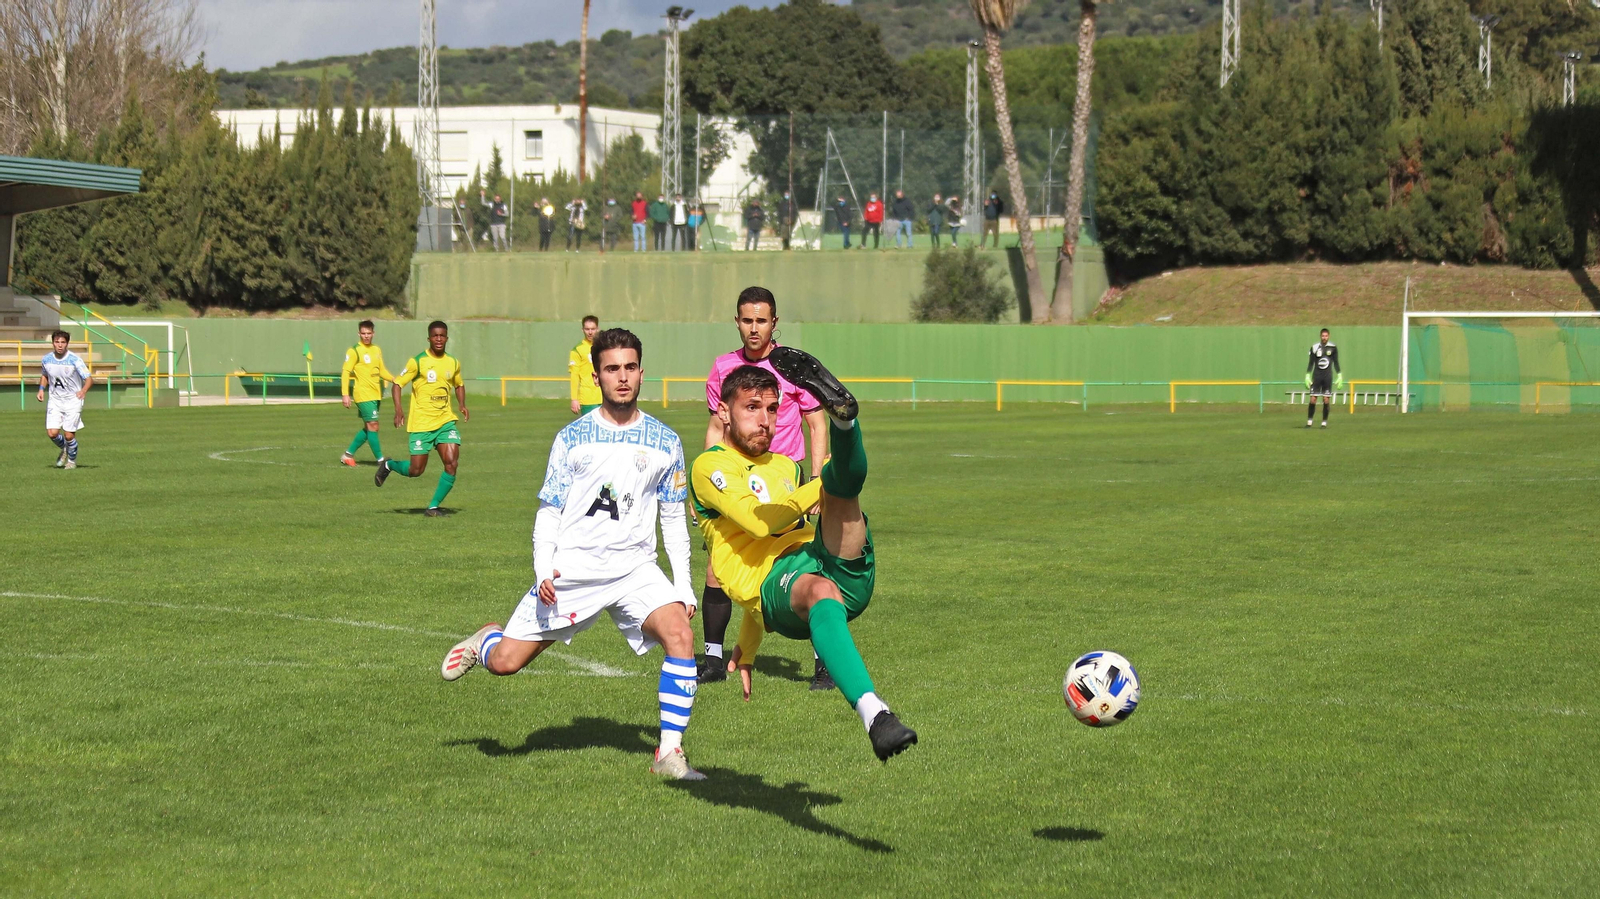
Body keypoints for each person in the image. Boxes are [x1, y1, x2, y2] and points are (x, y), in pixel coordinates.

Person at [438, 328, 706, 781]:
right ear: (596, 376)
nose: (622, 378)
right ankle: (486, 641)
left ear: (642, 372)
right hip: (574, 570)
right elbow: (549, 511)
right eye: (611, 369)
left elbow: (673, 519)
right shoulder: (572, 438)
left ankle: (669, 755)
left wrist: (682, 585)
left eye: (630, 368)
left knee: (680, 636)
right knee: (506, 664)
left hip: (635, 569)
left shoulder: (666, 442)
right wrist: (544, 567)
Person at [691, 352, 917, 762]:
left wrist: (747, 645)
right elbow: (759, 527)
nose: (765, 420)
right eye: (752, 408)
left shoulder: (785, 467)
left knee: (845, 489)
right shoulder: (711, 466)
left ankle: (844, 419)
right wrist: (819, 483)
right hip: (780, 584)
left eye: (773, 409)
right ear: (723, 412)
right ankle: (876, 716)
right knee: (819, 584)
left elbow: (793, 522)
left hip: (827, 561)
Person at [698, 287, 828, 688]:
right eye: (746, 320)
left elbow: (817, 423)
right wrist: (706, 491)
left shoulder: (792, 366)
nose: (754, 329)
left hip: (786, 480)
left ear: (775, 323)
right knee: (719, 569)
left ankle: (824, 661)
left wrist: (819, 480)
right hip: (736, 478)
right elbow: (718, 428)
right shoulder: (723, 367)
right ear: (736, 321)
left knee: (809, 563)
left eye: (761, 321)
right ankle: (714, 659)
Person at [374, 321, 468, 517]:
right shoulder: (417, 362)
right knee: (416, 471)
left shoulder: (453, 362)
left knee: (451, 463)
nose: (439, 339)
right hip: (421, 425)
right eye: (435, 336)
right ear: (429, 338)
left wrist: (461, 405)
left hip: (445, 422)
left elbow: (459, 385)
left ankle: (432, 507)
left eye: (442, 335)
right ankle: (389, 465)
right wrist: (398, 409)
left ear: (447, 338)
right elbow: (397, 385)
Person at [339, 320, 394, 467]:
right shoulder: (354, 351)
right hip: (363, 394)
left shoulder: (376, 349)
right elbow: (345, 372)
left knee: (369, 427)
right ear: (359, 333)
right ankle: (381, 460)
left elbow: (381, 370)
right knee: (373, 424)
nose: (366, 336)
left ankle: (347, 455)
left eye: (369, 333)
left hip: (375, 394)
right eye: (363, 333)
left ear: (373, 333)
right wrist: (345, 394)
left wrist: (394, 379)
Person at [37, 329, 91, 470]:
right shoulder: (46, 359)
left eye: (63, 342)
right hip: (55, 400)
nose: (60, 345)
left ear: (67, 344)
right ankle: (66, 449)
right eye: (57, 342)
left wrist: (83, 390)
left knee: (68, 435)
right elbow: (45, 375)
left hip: (73, 400)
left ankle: (71, 462)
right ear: (53, 343)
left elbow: (89, 379)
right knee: (52, 433)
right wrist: (41, 389)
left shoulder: (75, 360)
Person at [1305, 328, 1343, 428]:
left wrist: (1339, 375)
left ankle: (1324, 422)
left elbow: (1336, 362)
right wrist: (1307, 375)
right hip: (1317, 376)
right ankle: (1309, 422)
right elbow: (1311, 363)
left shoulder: (1333, 348)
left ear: (1328, 336)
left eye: (1326, 336)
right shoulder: (1314, 347)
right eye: (1323, 336)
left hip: (1327, 377)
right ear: (1320, 336)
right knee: (1313, 399)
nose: (1324, 338)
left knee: (1326, 399)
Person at [569, 315, 601, 416]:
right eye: (587, 329)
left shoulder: (604, 347)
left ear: (597, 329)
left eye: (593, 329)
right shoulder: (578, 350)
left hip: (606, 398)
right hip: (588, 399)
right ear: (582, 330)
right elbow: (574, 375)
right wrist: (574, 398)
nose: (590, 332)